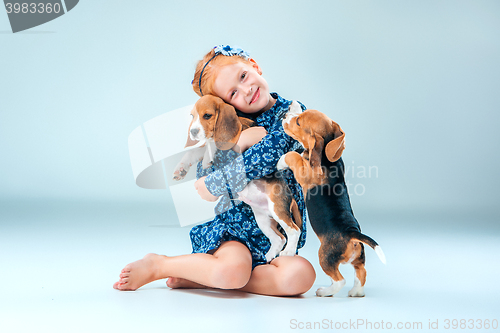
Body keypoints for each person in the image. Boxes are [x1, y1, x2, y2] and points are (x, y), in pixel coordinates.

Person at [113, 45, 316, 296]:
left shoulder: (294, 113)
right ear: (225, 103)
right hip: (235, 232)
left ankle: (204, 275)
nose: (246, 90)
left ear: (254, 65)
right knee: (232, 270)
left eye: (243, 76)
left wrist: (221, 173)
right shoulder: (228, 121)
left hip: (280, 237)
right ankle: (160, 265)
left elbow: (268, 156)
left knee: (301, 276)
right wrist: (236, 144)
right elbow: (203, 174)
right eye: (233, 93)